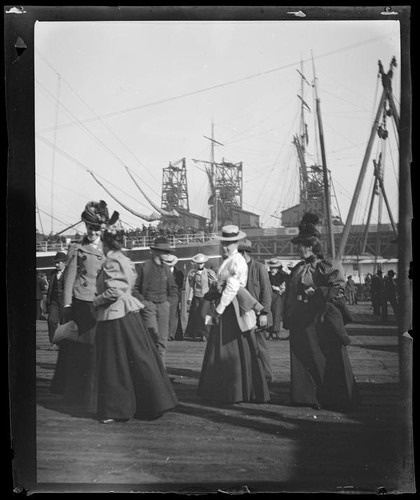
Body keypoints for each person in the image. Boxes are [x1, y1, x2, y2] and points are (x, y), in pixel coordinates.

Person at [93, 225, 178, 424]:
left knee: (115, 365)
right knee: (137, 360)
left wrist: (94, 301)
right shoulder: (126, 260)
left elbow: (115, 291)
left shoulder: (112, 261)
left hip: (115, 315)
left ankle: (116, 410)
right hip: (130, 314)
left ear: (106, 244)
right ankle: (150, 402)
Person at [283, 212, 357, 411]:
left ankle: (332, 398)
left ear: (313, 246)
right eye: (300, 245)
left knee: (324, 357)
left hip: (321, 319)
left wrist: (318, 292)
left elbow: (339, 290)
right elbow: (290, 293)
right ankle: (305, 397)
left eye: (304, 245)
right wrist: (288, 315)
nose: (300, 249)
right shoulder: (298, 268)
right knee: (304, 356)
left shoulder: (327, 265)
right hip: (301, 319)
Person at [51, 200, 118, 413]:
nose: (92, 232)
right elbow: (69, 278)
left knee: (97, 349)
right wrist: (67, 304)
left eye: (96, 228)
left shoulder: (108, 250)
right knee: (77, 349)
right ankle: (75, 392)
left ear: (101, 229)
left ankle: (94, 393)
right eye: (89, 228)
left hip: (100, 304)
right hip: (81, 303)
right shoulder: (77, 249)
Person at [197, 225, 270, 404]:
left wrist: (219, 310)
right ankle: (226, 389)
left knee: (230, 347)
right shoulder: (229, 259)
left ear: (236, 243)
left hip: (232, 307)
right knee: (227, 347)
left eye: (229, 244)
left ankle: (234, 390)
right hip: (227, 303)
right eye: (224, 243)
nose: (225, 247)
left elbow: (232, 288)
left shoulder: (237, 260)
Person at [133, 236, 179, 365]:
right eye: (165, 251)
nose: (167, 254)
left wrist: (168, 303)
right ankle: (152, 372)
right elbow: (135, 289)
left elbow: (174, 289)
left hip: (163, 306)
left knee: (163, 340)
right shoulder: (144, 267)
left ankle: (161, 372)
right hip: (149, 306)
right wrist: (144, 303)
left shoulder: (166, 269)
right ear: (157, 252)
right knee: (152, 339)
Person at [238, 239, 274, 383]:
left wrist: (264, 313)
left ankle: (266, 377)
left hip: (258, 314)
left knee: (260, 347)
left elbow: (266, 292)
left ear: (244, 253)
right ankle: (250, 377)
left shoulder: (259, 268)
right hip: (242, 314)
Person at [184, 253, 217, 342]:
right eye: (198, 263)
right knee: (195, 316)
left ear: (204, 263)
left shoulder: (209, 273)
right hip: (196, 297)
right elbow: (191, 286)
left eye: (201, 263)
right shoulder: (193, 273)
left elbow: (213, 285)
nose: (200, 264)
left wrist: (212, 296)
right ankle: (196, 334)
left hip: (206, 297)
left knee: (204, 315)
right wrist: (190, 298)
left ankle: (205, 334)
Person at [46, 251, 67, 350]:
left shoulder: (68, 273)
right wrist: (48, 302)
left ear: (64, 262)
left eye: (58, 262)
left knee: (64, 322)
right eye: (56, 262)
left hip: (65, 300)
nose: (56, 264)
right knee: (51, 320)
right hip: (54, 300)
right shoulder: (53, 273)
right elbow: (50, 288)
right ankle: (54, 342)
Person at [161, 253, 184, 341]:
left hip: (174, 296)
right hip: (164, 295)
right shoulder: (162, 272)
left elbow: (179, 286)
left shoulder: (178, 273)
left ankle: (171, 334)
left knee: (173, 315)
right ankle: (167, 333)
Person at [267, 258, 288, 340]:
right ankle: (270, 332)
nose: (272, 269)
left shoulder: (282, 275)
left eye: (273, 267)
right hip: (269, 295)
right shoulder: (266, 274)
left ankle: (276, 332)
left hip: (278, 295)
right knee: (269, 313)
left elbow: (284, 286)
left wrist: (279, 289)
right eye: (271, 267)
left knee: (277, 313)